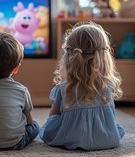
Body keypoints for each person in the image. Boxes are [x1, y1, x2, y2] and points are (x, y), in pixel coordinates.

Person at [39, 21, 125, 150]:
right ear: (104, 57)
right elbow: (110, 117)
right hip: (106, 139)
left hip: (69, 137)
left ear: (68, 57)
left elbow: (53, 117)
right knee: (116, 126)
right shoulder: (108, 86)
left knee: (48, 127)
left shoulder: (63, 88)